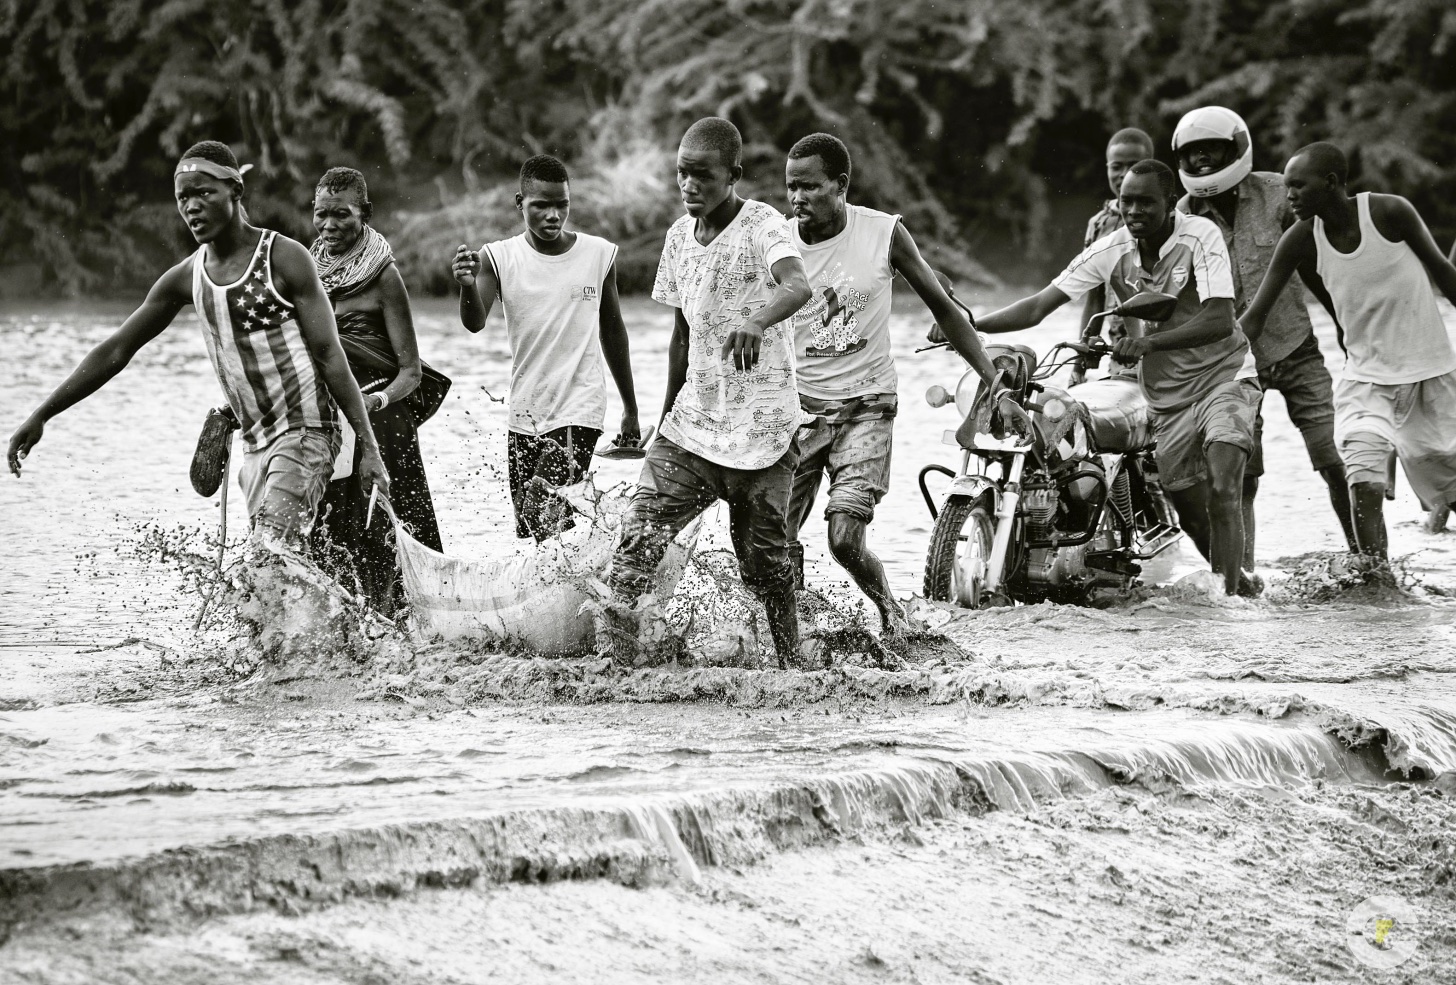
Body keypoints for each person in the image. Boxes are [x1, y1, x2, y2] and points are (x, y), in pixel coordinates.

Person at [7, 141, 388, 551]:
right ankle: (349, 617)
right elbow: (116, 350)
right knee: (278, 574)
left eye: (204, 193)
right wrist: (43, 414)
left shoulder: (285, 258)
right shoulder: (185, 277)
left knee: (271, 555)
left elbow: (331, 356)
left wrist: (370, 449)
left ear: (235, 192)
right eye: (183, 197)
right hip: (256, 445)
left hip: (307, 432)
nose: (192, 207)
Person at [971, 159, 1262, 596]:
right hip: (1167, 396)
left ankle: (1232, 606)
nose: (1133, 211)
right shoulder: (1111, 249)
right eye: (1126, 201)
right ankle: (1235, 583)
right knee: (1191, 510)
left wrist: (1147, 345)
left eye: (1145, 202)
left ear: (1170, 203)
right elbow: (1037, 306)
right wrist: (971, 322)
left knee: (1224, 486)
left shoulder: (1200, 236)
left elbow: (1221, 319)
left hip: (1225, 378)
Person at [598, 117, 813, 667]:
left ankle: (792, 667)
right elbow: (681, 335)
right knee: (635, 548)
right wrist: (664, 420)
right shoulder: (677, 239)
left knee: (765, 570)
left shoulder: (764, 225)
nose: (690, 186)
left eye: (703, 176)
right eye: (681, 175)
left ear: (733, 176)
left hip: (763, 428)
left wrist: (757, 322)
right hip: (693, 427)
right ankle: (617, 669)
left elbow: (798, 285)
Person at [782, 132, 995, 635]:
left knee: (843, 538)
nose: (797, 199)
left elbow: (942, 305)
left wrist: (994, 382)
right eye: (790, 188)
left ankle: (892, 617)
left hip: (867, 406)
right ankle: (791, 633)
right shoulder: (775, 241)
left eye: (810, 187)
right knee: (772, 536)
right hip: (796, 408)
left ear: (841, 184)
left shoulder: (883, 233)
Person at [1239, 142, 1456, 559]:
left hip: (1431, 375)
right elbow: (1254, 319)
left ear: (1332, 183)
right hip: (1365, 382)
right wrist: (1203, 357)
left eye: (1298, 186)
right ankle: (1378, 584)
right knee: (1363, 482)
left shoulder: (1390, 213)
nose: (1289, 197)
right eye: (1286, 188)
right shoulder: (1301, 239)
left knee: (1449, 488)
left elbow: (1444, 273)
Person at [1173, 106, 1356, 560]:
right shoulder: (1182, 216)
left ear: (1235, 147)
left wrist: (1345, 325)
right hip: (1232, 363)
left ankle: (1365, 555)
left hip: (1296, 346)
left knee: (1333, 458)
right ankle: (1245, 575)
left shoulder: (1278, 193)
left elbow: (1316, 265)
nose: (1202, 161)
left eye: (1211, 150)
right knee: (1241, 474)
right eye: (1192, 154)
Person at [453, 155, 640, 541]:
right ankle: (593, 576)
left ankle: (607, 566)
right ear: (519, 203)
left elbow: (614, 331)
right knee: (537, 526)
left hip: (580, 406)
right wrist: (468, 285)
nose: (553, 215)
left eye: (562, 205)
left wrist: (631, 408)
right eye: (541, 205)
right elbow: (474, 323)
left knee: (545, 506)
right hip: (526, 410)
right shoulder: (498, 257)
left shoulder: (598, 255)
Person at [309, 166, 448, 611]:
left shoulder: (385, 278)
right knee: (331, 532)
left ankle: (411, 624)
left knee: (392, 527)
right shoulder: (307, 275)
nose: (329, 226)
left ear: (365, 214)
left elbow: (411, 372)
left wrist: (376, 400)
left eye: (342, 215)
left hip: (384, 421)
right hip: (332, 421)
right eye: (321, 214)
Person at [1074, 127, 1156, 381]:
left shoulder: (1164, 217)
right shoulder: (1098, 225)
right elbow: (1094, 298)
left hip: (1163, 343)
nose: (1124, 174)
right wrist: (1079, 364)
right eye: (1117, 166)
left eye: (1134, 166)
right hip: (1121, 349)